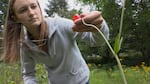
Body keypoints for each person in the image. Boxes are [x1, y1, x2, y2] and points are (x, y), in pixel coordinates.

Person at [1, 0, 109, 84]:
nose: (31, 13)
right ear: (16, 18)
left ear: (39, 8)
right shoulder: (25, 45)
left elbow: (97, 41)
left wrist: (99, 26)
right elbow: (28, 74)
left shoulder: (61, 25)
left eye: (33, 6)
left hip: (81, 81)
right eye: (23, 10)